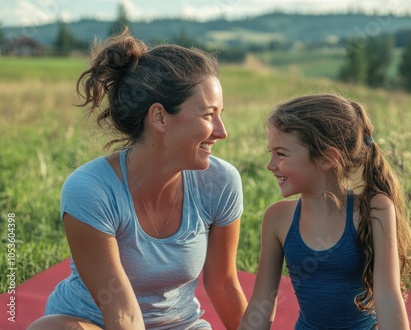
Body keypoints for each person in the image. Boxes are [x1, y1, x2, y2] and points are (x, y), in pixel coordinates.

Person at [28, 29, 247, 330]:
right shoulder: (91, 190)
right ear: (159, 117)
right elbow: (121, 312)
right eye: (209, 115)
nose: (222, 131)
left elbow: (224, 285)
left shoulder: (221, 181)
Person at [239, 93, 411, 330]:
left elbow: (388, 297)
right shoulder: (277, 218)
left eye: (281, 154)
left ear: (327, 159)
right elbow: (261, 304)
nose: (270, 165)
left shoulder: (374, 209)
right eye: (270, 153)